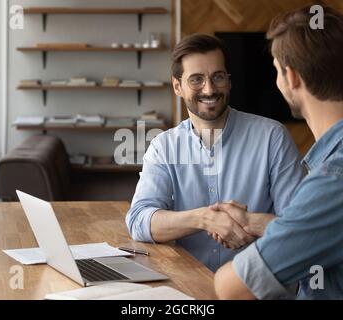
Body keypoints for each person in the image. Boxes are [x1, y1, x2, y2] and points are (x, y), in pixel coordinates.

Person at [214, 6, 343, 299]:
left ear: (292, 77)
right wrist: (253, 223)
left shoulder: (338, 179)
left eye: (276, 70)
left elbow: (232, 287)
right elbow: (341, 227)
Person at [125, 34, 304, 272]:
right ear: (177, 86)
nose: (209, 89)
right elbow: (139, 221)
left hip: (257, 289)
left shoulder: (272, 137)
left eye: (217, 77)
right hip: (188, 291)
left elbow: (299, 228)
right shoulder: (163, 147)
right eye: (196, 79)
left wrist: (249, 224)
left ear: (229, 82)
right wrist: (204, 218)